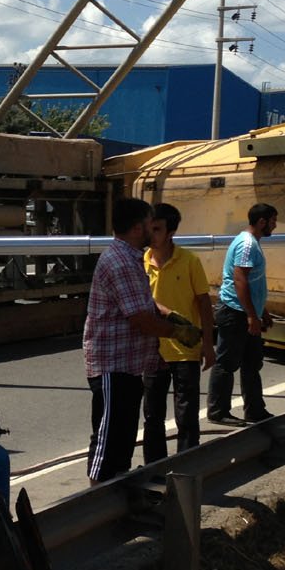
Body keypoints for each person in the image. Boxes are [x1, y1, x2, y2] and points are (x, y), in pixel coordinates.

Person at [84, 198, 175, 484]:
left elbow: (143, 306)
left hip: (128, 366)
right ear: (137, 228)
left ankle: (115, 504)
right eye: (150, 225)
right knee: (107, 442)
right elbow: (140, 319)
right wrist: (175, 333)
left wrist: (169, 316)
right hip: (113, 366)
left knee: (122, 441)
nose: (153, 230)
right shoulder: (120, 261)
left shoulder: (132, 259)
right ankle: (92, 508)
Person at [141, 203, 216, 463]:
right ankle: (154, 468)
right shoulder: (140, 262)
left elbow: (205, 305)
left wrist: (208, 344)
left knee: (186, 414)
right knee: (152, 415)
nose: (151, 234)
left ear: (171, 232)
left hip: (185, 351)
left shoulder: (190, 261)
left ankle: (186, 467)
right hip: (151, 351)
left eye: (157, 229)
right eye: (149, 228)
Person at [207, 203, 278, 425]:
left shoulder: (252, 243)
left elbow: (253, 282)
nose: (275, 226)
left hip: (246, 311)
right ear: (262, 222)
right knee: (227, 363)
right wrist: (251, 316)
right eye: (273, 221)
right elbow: (240, 279)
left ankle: (255, 410)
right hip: (235, 312)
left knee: (252, 363)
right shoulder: (247, 244)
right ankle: (218, 411)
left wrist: (261, 310)